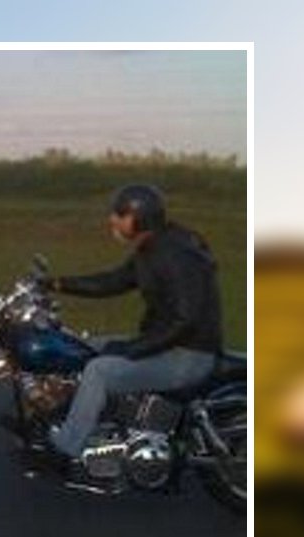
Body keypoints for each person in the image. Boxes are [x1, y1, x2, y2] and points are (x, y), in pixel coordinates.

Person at [39, 184, 223, 467]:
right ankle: (89, 422)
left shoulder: (175, 255)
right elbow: (113, 281)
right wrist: (56, 284)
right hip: (168, 344)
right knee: (84, 347)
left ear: (139, 218)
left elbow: (186, 319)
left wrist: (135, 348)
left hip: (188, 355)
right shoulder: (153, 248)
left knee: (99, 371)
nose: (112, 219)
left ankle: (66, 449)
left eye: (120, 214)